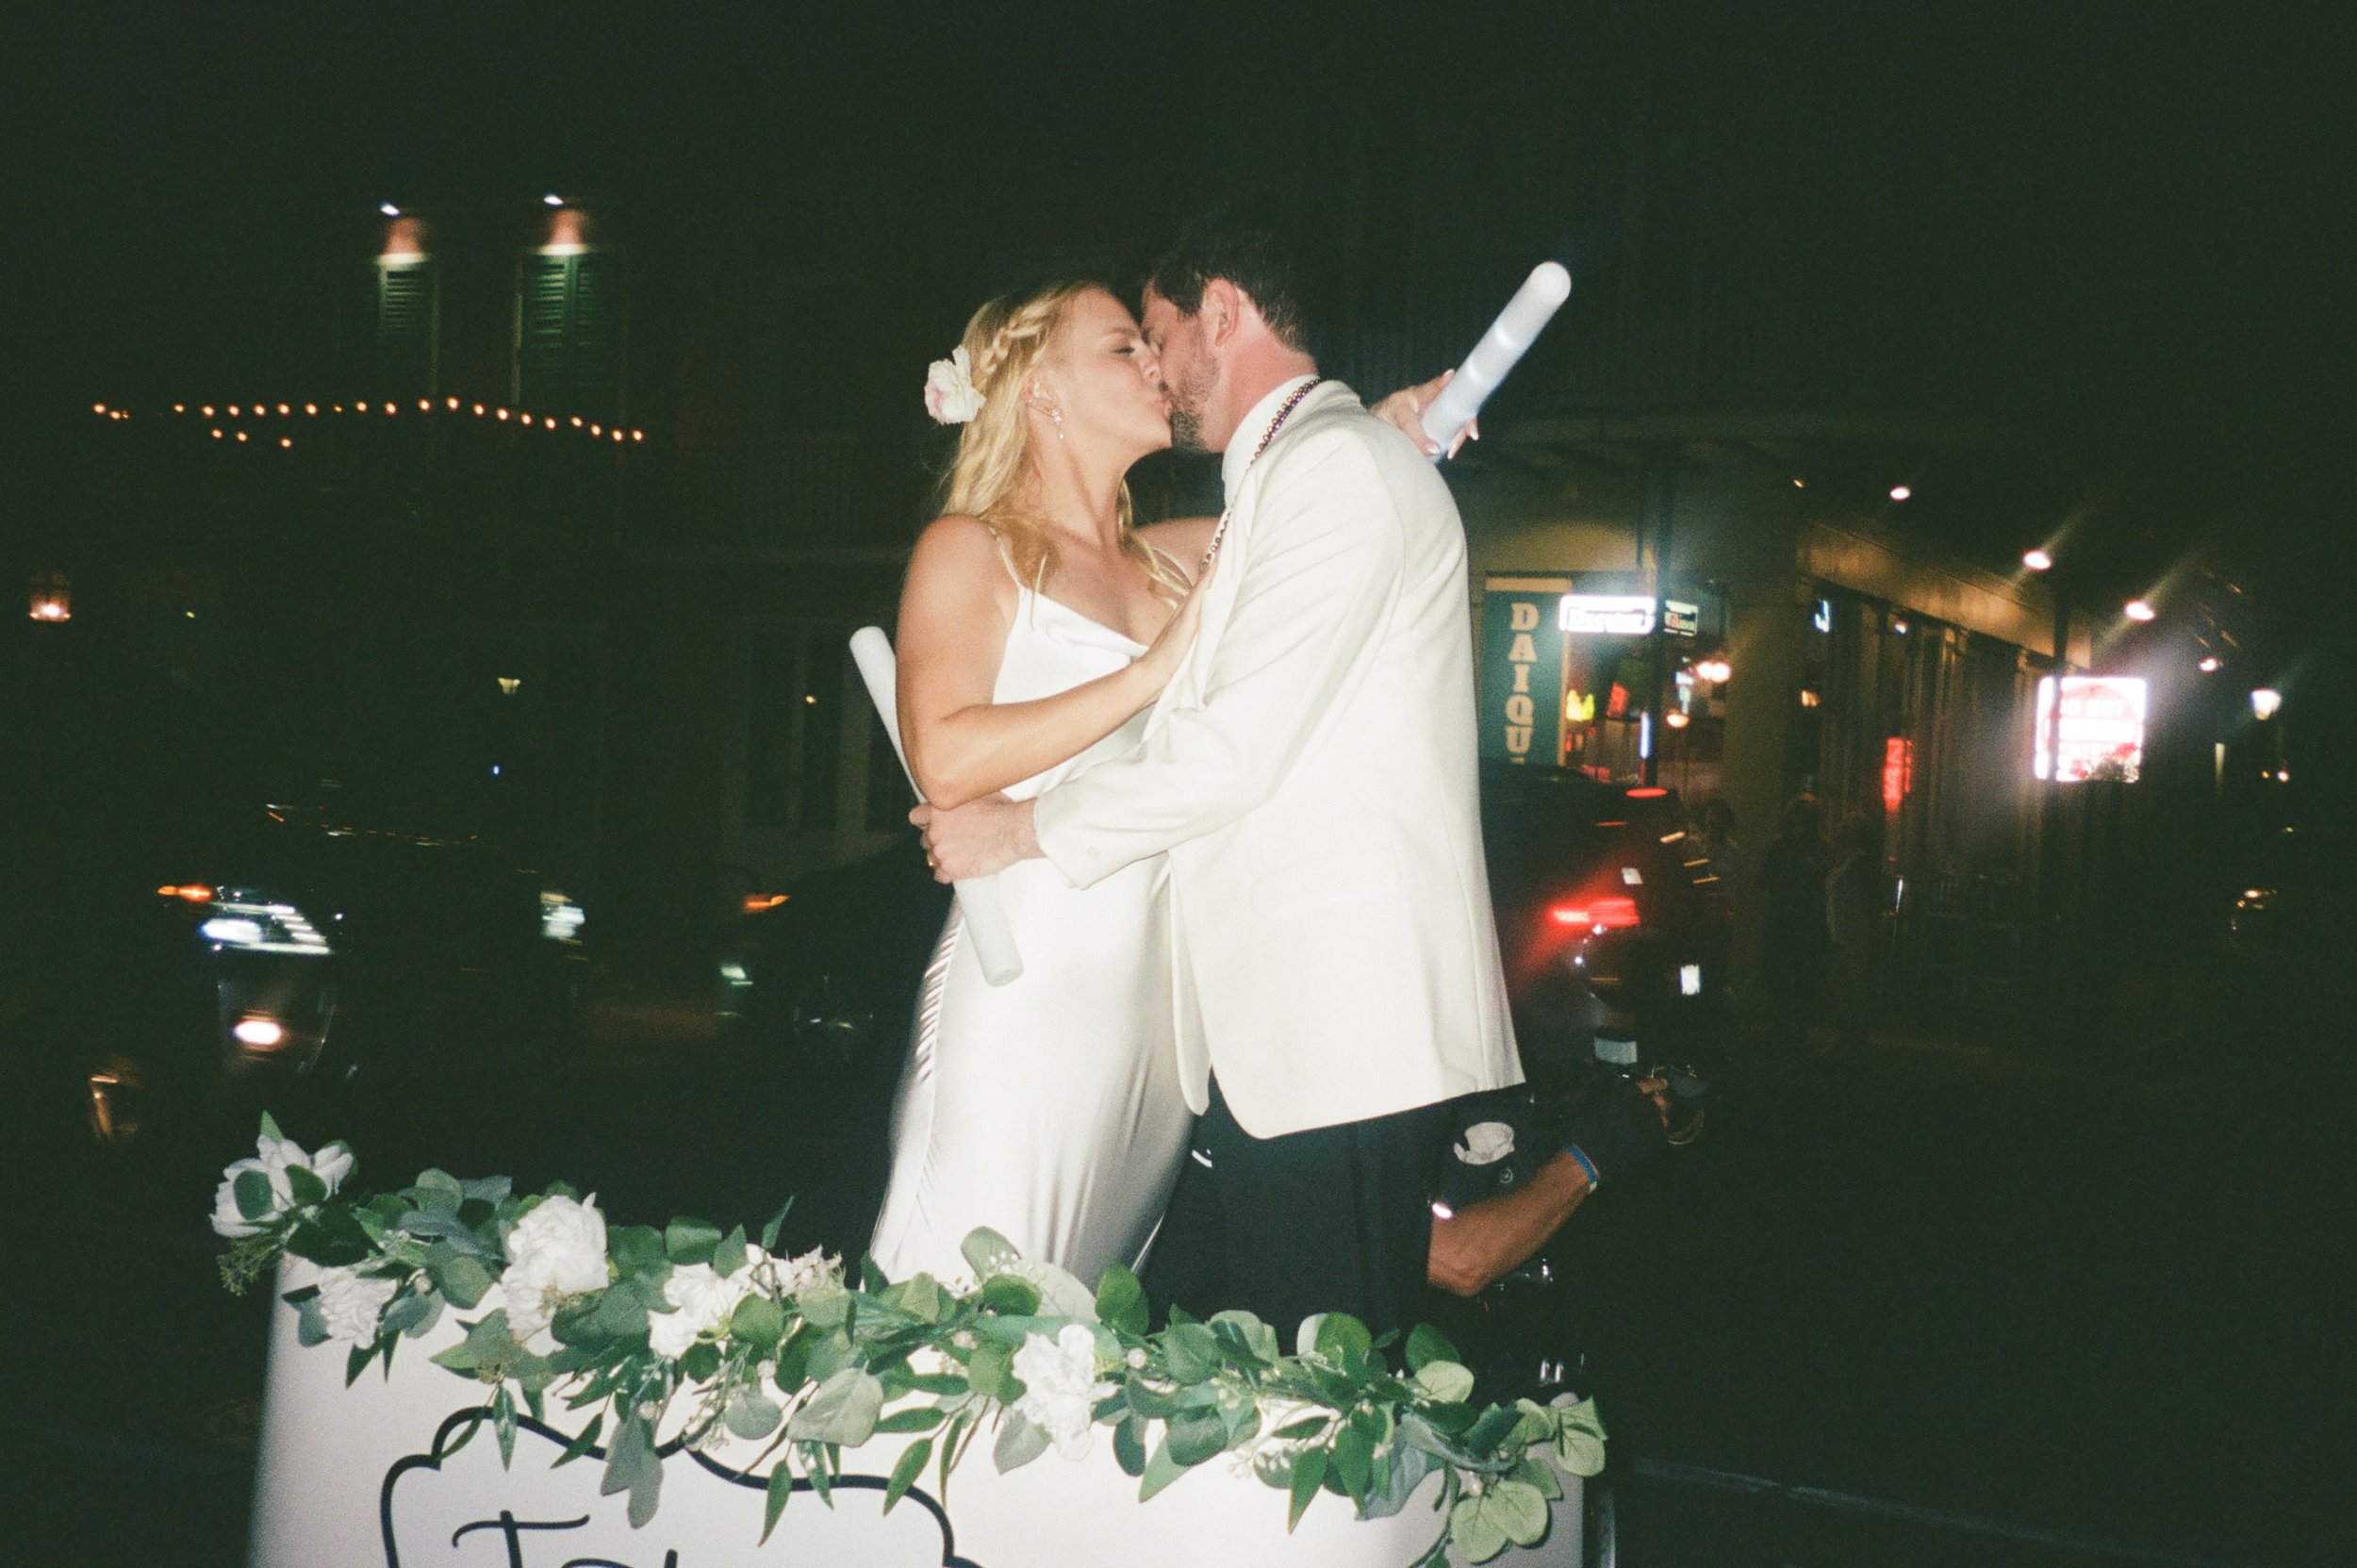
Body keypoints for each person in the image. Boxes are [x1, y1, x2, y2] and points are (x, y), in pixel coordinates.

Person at [916, 205, 1524, 1339]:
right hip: (1118, 1002)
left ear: (1223, 315)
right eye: (1122, 348)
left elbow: (1230, 745)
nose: (1154, 366)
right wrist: (1375, 436)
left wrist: (1022, 826)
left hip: (1311, 1029)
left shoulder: (1300, 485)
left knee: (1289, 1381)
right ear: (1039, 393)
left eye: (1154, 335)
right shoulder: (1279, 489)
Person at [1758, 792, 1830, 1064]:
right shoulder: (1783, 846)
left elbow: (1825, 879)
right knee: (1777, 976)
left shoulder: (1820, 848)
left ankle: (1797, 1031)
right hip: (1784, 920)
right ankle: (1782, 1029)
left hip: (1806, 921)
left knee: (1805, 979)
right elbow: (1762, 878)